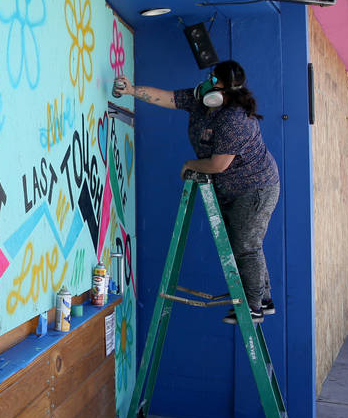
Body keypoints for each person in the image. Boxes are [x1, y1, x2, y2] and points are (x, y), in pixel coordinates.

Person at [113, 60, 280, 323]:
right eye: (210, 76)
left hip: (255, 188)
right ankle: (262, 299)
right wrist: (132, 90)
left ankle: (252, 307)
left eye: (215, 79)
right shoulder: (202, 99)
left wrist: (190, 164)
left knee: (246, 246)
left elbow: (218, 164)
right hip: (235, 190)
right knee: (246, 245)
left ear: (226, 90)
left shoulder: (234, 119)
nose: (208, 82)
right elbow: (168, 98)